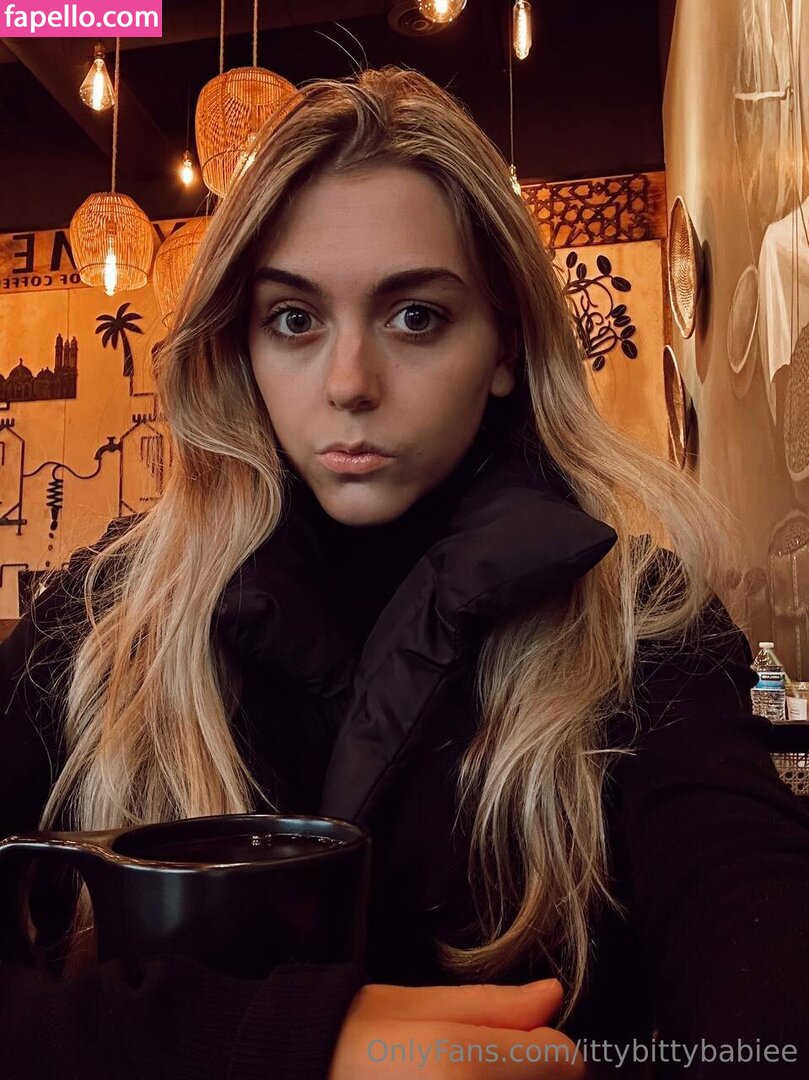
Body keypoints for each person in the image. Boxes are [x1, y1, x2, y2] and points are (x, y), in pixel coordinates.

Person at [2, 64, 809, 1080]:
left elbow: (758, 945)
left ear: (504, 346)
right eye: (293, 320)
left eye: (415, 316)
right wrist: (286, 1045)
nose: (349, 383)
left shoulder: (642, 625)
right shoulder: (103, 623)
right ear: (239, 346)